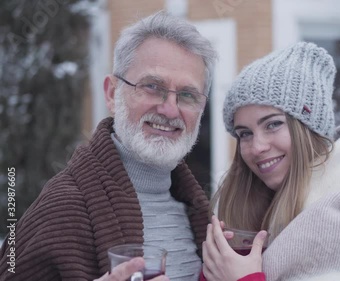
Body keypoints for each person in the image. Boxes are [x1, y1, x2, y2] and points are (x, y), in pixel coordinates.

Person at [0, 11, 217, 281]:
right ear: (112, 94)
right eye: (152, 86)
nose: (170, 110)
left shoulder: (201, 215)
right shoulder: (62, 210)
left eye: (187, 95)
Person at [201, 42, 340, 281]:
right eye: (245, 133)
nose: (257, 147)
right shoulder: (246, 216)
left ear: (308, 129)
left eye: (273, 124)